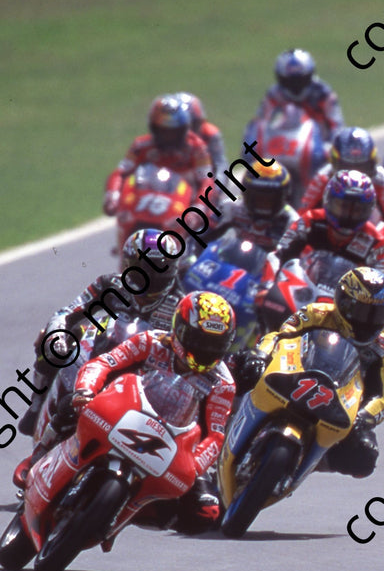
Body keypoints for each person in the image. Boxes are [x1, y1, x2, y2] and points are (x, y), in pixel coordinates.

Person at [24, 291, 238, 536]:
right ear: (179, 329)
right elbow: (104, 363)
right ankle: (39, 456)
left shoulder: (222, 383)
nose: (205, 350)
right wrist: (86, 391)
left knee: (208, 511)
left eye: (214, 345)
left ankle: (137, 507)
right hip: (119, 412)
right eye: (199, 340)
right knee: (70, 404)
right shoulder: (151, 341)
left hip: (171, 446)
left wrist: (194, 465)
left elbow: (215, 435)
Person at [16, 228, 183, 441]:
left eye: (158, 268)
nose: (150, 275)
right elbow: (67, 312)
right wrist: (56, 334)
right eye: (144, 268)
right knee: (49, 341)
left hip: (147, 374)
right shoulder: (110, 285)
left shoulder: (178, 306)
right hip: (100, 353)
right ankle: (36, 404)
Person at [240, 267, 384, 478]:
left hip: (340, 405)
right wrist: (260, 355)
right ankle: (222, 420)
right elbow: (280, 336)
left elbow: (382, 395)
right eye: (362, 312)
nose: (369, 322)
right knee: (241, 364)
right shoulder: (315, 313)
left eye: (378, 314)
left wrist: (363, 418)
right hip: (292, 377)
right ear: (343, 303)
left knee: (364, 457)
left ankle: (307, 462)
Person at [298, 127, 384, 286]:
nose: (355, 175)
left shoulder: (383, 181)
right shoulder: (323, 177)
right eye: (347, 167)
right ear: (335, 163)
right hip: (331, 231)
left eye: (362, 167)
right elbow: (302, 215)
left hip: (366, 235)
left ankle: (374, 295)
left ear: (372, 163)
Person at [268, 170, 384, 286]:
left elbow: (381, 284)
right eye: (342, 207)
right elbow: (278, 255)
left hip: (346, 302)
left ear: (369, 210)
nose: (348, 216)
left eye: (357, 210)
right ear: (328, 201)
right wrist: (267, 285)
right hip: (304, 290)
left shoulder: (375, 241)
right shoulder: (309, 220)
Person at [103, 95, 211, 216]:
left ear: (183, 130)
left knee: (209, 223)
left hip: (184, 207)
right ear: (154, 129)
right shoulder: (141, 145)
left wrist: (199, 207)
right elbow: (121, 173)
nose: (168, 137)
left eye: (174, 132)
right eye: (163, 131)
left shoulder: (197, 147)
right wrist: (112, 196)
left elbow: (206, 181)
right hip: (146, 203)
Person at [200, 159, 298, 250]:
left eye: (269, 200)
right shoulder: (231, 207)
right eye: (258, 198)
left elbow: (293, 259)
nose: (263, 204)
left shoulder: (292, 221)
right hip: (236, 263)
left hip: (272, 266)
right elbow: (201, 235)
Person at [252, 49, 345, 135]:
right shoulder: (274, 95)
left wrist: (329, 147)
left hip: (318, 149)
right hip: (280, 147)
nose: (295, 86)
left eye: (300, 80)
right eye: (289, 81)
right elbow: (259, 127)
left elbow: (337, 127)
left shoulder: (323, 94)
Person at [172, 91, 228, 173]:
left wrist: (217, 184)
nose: (188, 133)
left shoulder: (210, 134)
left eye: (193, 125)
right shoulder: (158, 141)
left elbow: (220, 164)